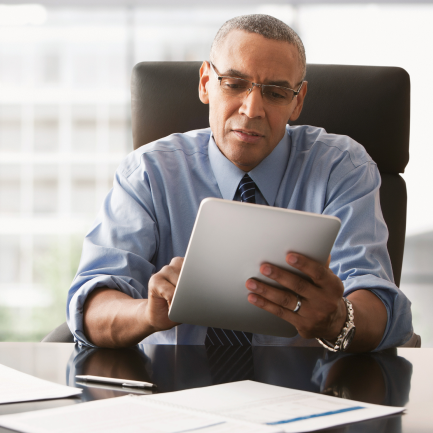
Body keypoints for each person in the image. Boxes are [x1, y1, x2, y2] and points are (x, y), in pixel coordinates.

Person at [67, 14, 413, 352]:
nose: (251, 110)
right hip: (173, 387)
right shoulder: (148, 171)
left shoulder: (342, 166)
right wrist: (147, 313)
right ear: (206, 82)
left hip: (307, 389)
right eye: (234, 84)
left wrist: (338, 318)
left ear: (298, 101)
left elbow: (379, 304)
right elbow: (91, 308)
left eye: (276, 93)